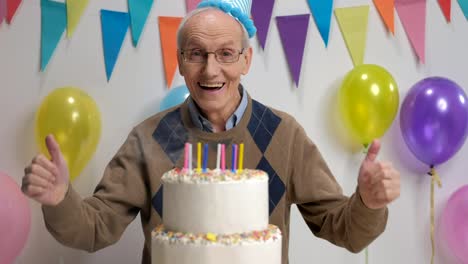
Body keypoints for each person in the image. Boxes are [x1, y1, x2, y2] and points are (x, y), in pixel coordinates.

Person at [21, 1, 401, 263]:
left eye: (225, 53)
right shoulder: (149, 138)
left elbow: (344, 230)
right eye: (196, 53)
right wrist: (60, 199)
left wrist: (368, 203)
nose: (210, 70)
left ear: (246, 60)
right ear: (180, 63)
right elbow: (95, 228)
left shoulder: (284, 135)